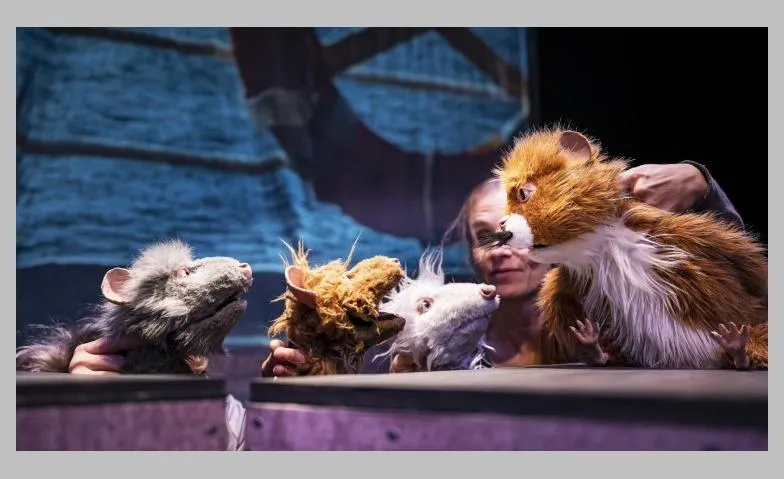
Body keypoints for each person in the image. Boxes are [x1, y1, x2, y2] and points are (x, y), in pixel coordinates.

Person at [64, 162, 743, 375]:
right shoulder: (425, 331)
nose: (503, 248)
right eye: (484, 236)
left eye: (518, 232)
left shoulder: (616, 319)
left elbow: (732, 290)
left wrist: (704, 185)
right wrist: (310, 376)